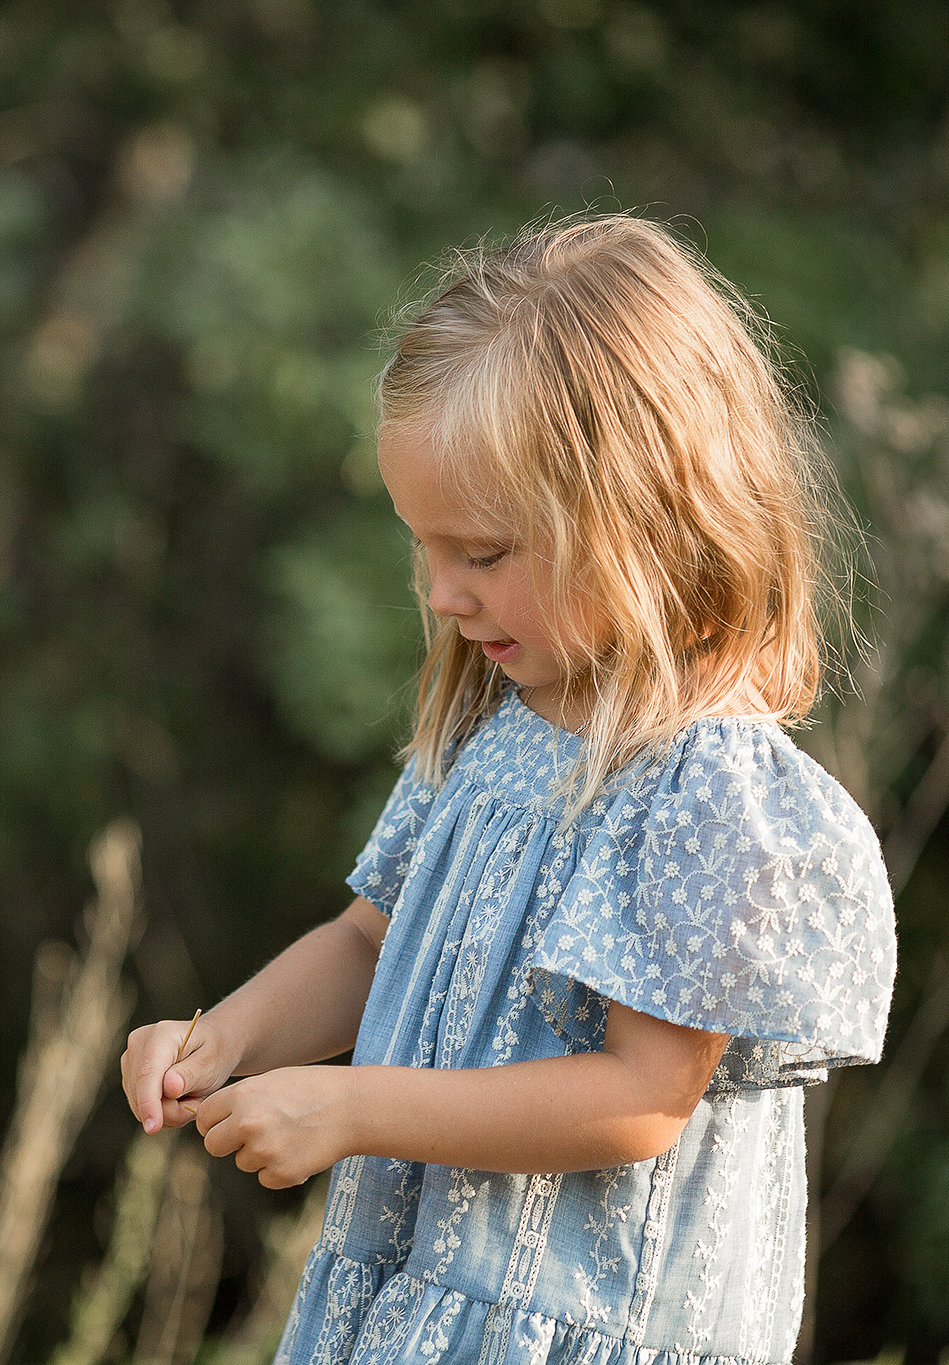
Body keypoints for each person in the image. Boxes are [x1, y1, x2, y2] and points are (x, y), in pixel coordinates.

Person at [118, 214, 897, 1364]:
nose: (439, 594)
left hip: (583, 1324)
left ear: (643, 521)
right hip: (422, 1300)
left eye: (480, 555)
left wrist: (353, 1108)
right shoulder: (493, 731)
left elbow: (637, 1100)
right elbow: (363, 945)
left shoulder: (704, 791)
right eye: (421, 548)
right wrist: (221, 1040)